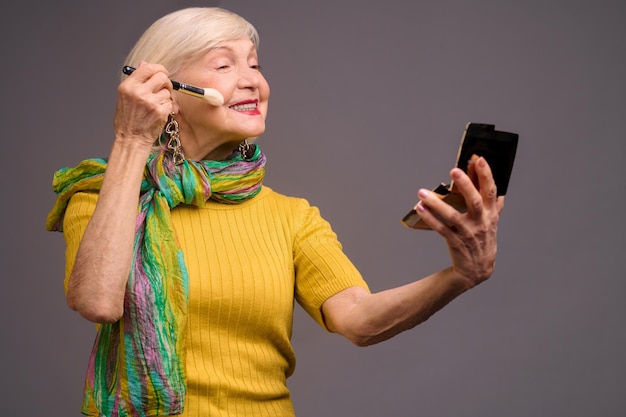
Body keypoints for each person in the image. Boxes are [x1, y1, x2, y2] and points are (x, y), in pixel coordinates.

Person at [46, 7, 503, 417]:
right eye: (224, 65)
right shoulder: (101, 197)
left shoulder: (292, 217)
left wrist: (461, 275)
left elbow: (359, 321)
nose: (252, 81)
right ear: (166, 89)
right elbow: (97, 302)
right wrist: (130, 140)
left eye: (255, 64)